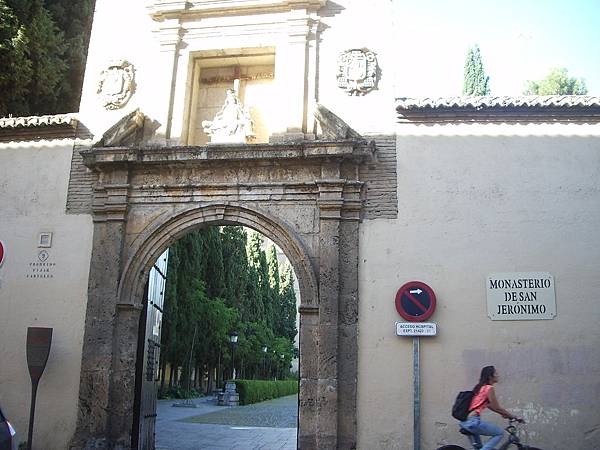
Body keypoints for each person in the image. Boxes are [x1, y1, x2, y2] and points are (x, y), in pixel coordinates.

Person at [460, 366, 522, 450]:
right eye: (496, 373)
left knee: (480, 448)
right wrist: (513, 417)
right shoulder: (489, 388)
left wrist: (504, 414)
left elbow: (490, 406)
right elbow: (497, 408)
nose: (498, 375)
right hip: (473, 421)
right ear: (490, 376)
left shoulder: (481, 387)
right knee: (499, 433)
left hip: (465, 421)